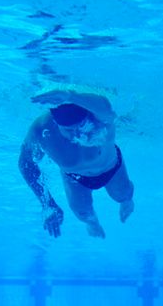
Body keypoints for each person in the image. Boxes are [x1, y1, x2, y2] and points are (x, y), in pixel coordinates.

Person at [18, 89, 135, 238]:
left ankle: (126, 202)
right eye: (69, 130)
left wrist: (70, 96)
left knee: (123, 194)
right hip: (75, 177)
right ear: (55, 123)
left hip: (111, 168)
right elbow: (25, 163)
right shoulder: (41, 129)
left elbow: (107, 107)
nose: (78, 134)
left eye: (82, 126)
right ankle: (93, 224)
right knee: (82, 212)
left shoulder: (100, 118)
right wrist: (47, 204)